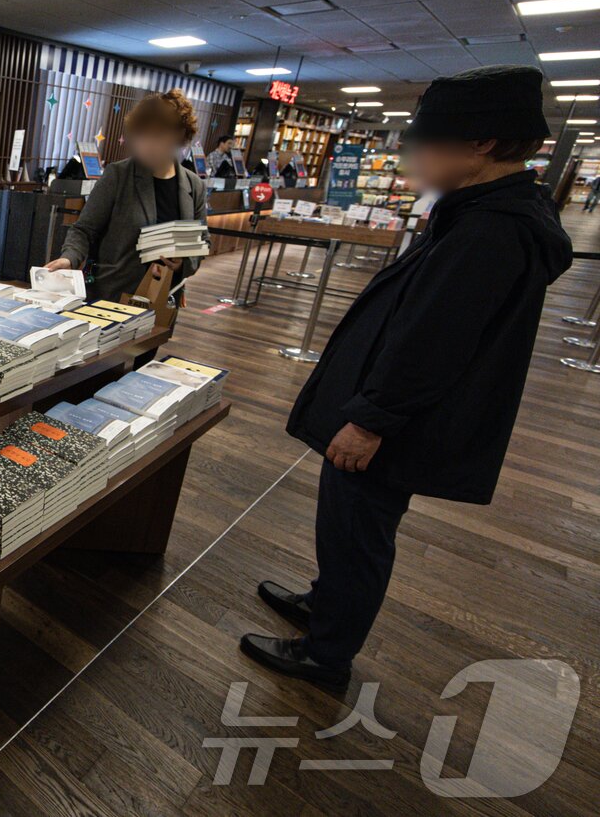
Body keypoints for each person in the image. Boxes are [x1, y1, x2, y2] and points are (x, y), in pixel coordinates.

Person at [242, 65, 572, 687]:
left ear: (482, 143)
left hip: (394, 422)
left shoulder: (490, 230)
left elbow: (434, 342)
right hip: (392, 410)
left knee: (358, 531)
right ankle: (327, 603)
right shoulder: (479, 210)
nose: (413, 157)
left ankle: (326, 653)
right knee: (346, 526)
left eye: (427, 142)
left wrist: (371, 419)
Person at [44, 89, 207, 302]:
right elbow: (85, 229)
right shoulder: (119, 175)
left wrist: (183, 263)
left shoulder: (194, 185)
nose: (147, 144)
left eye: (158, 135)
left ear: (180, 135)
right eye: (141, 135)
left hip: (164, 298)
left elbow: (202, 241)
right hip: (113, 295)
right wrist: (70, 258)